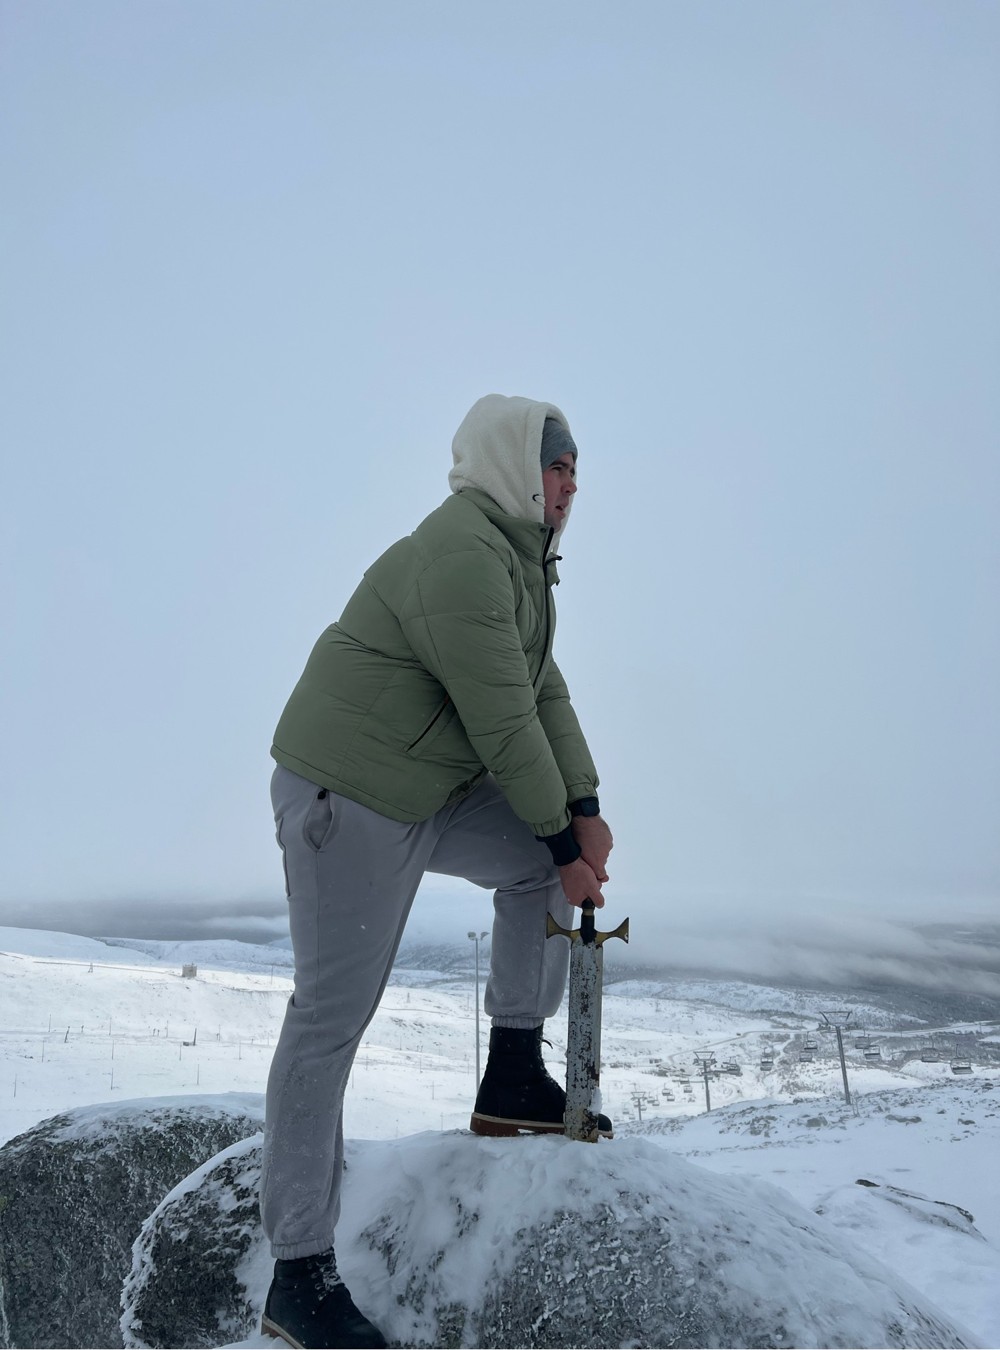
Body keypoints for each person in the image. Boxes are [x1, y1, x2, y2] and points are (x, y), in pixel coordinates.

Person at [260, 393, 614, 1349]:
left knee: (535, 870)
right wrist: (560, 841)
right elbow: (503, 720)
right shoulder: (462, 553)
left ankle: (510, 1077)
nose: (571, 484)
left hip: (426, 786)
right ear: (511, 467)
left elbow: (544, 690)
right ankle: (297, 1273)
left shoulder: (522, 562)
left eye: (577, 468)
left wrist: (580, 813)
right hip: (348, 793)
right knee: (330, 1018)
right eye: (557, 465)